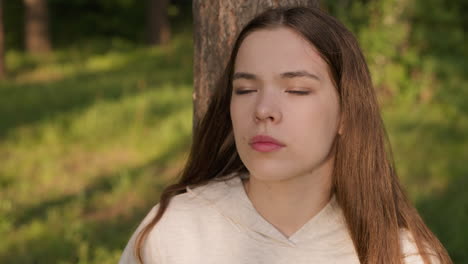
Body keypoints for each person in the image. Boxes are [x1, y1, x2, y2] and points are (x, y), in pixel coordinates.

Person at [119, 6, 452, 264]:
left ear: (347, 113)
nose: (263, 109)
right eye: (246, 89)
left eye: (296, 90)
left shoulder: (401, 255)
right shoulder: (177, 232)